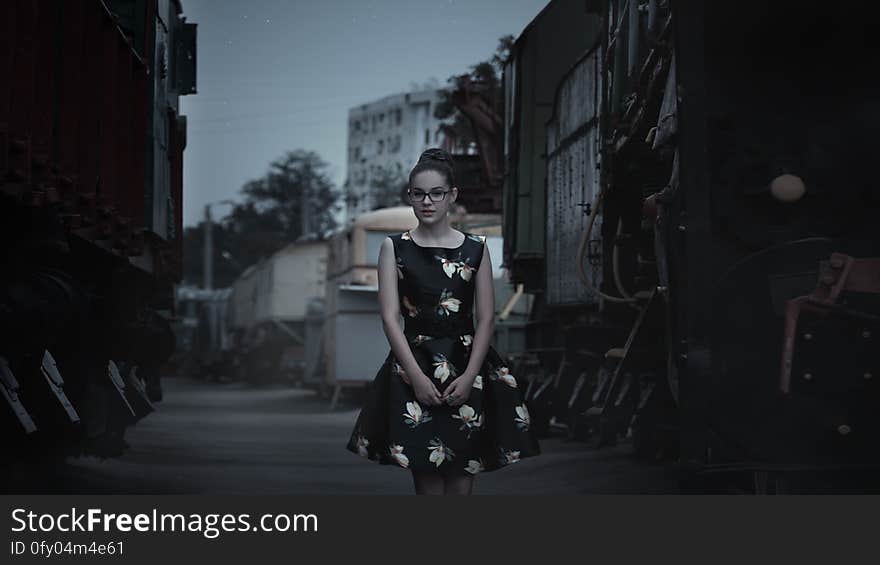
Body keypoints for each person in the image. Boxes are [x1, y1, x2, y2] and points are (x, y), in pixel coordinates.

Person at [345, 147, 540, 494]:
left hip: (469, 369)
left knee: (462, 484)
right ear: (410, 197)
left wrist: (469, 377)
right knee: (428, 484)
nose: (427, 202)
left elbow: (485, 319)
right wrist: (416, 378)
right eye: (418, 194)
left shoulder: (476, 248)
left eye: (436, 193)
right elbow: (390, 318)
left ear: (452, 196)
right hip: (414, 368)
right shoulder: (395, 248)